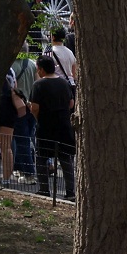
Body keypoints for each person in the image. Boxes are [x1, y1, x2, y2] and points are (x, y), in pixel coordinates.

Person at [27, 54, 77, 198]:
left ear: (41, 69)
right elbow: (71, 103)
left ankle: (44, 189)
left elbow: (34, 107)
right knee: (65, 159)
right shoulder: (64, 83)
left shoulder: (38, 85)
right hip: (63, 125)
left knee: (41, 157)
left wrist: (37, 118)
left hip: (46, 126)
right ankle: (70, 191)